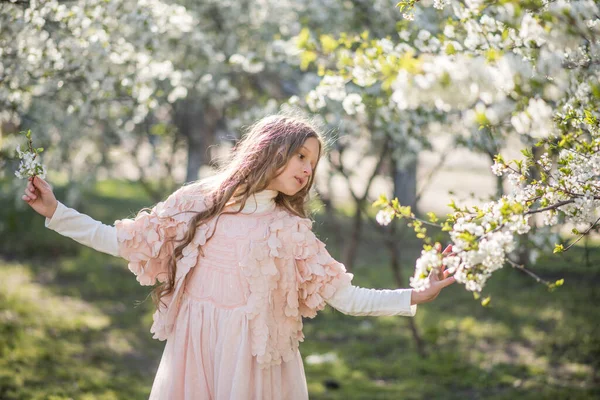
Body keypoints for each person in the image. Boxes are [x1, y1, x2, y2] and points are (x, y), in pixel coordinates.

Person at [22, 114, 455, 399]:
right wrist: (57, 213)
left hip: (253, 367)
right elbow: (124, 242)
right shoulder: (197, 201)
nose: (307, 169)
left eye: (313, 163)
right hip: (195, 355)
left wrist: (414, 296)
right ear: (269, 149)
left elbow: (345, 296)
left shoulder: (288, 232)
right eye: (301, 156)